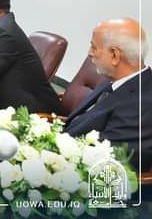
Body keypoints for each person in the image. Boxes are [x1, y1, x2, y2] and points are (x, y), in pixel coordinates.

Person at [64, 18, 151, 171]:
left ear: (115, 55)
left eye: (93, 47)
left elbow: (105, 165)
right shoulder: (116, 78)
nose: (89, 53)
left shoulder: (140, 108)